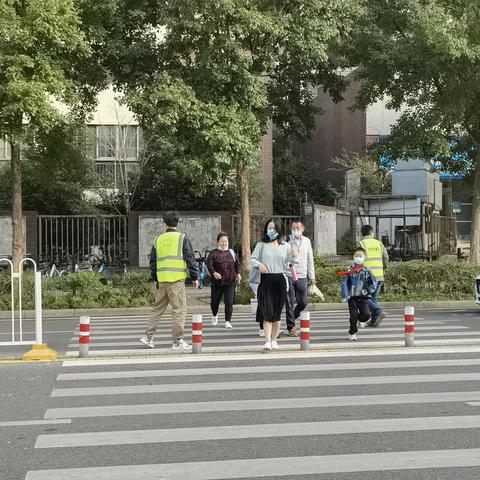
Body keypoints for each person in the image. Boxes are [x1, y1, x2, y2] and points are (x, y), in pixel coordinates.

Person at [140, 211, 199, 351]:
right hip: (176, 280)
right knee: (179, 310)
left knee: (157, 309)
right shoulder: (182, 238)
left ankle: (148, 337)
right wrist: (195, 277)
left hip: (162, 281)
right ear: (178, 222)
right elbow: (190, 258)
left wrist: (155, 279)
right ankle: (177, 341)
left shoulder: (158, 239)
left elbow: (153, 261)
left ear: (164, 222)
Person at [250, 218, 297, 351]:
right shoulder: (261, 244)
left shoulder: (285, 246)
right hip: (266, 280)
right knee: (267, 311)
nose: (271, 231)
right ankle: (267, 341)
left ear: (279, 230)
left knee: (276, 313)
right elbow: (252, 259)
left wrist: (293, 255)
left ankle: (274, 340)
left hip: (280, 280)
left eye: (274, 228)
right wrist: (259, 264)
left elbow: (290, 263)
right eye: (269, 228)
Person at [339, 247, 377, 341]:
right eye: (356, 256)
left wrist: (368, 291)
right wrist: (345, 295)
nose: (358, 257)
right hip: (352, 297)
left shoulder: (367, 271)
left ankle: (360, 320)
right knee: (353, 315)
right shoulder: (349, 270)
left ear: (364, 258)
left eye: (360, 256)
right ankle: (352, 333)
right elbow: (344, 283)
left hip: (363, 297)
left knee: (366, 315)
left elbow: (373, 283)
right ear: (353, 257)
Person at [285, 221, 315, 336]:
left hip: (302, 275)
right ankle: (291, 326)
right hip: (289, 274)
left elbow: (310, 259)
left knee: (303, 302)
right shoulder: (286, 241)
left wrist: (312, 276)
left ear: (303, 228)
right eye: (293, 228)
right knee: (289, 302)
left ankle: (292, 316)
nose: (295, 230)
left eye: (298, 228)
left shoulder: (306, 241)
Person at [206, 232, 242, 328]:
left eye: (225, 241)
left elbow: (237, 264)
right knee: (214, 303)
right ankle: (214, 315)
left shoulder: (232, 252)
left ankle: (227, 321)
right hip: (217, 283)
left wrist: (238, 273)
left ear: (228, 242)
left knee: (229, 302)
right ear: (218, 242)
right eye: (222, 241)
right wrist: (214, 273)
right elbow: (209, 265)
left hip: (230, 281)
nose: (224, 243)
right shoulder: (213, 253)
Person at [358, 225, 389, 327]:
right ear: (372, 232)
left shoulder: (361, 243)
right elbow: (385, 257)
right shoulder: (379, 243)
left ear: (362, 234)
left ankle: (378, 311)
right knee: (373, 298)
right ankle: (374, 319)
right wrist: (383, 268)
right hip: (379, 275)